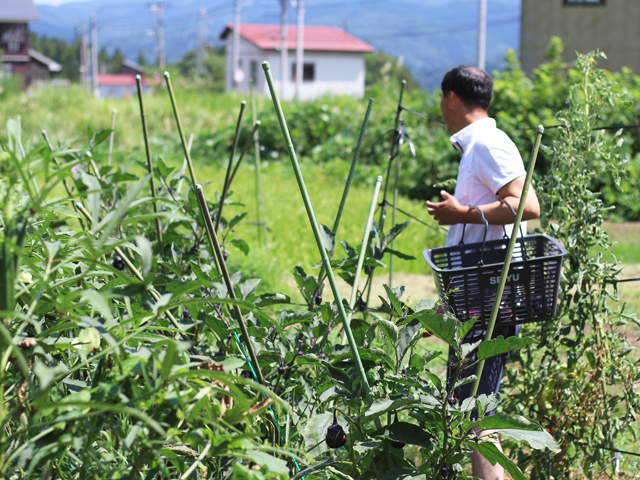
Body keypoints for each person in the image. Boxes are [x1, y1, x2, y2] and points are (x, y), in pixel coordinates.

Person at [426, 66, 540, 480]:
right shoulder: (477, 145)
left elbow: (527, 204)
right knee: (471, 404)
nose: (440, 108)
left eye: (441, 99)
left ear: (452, 98)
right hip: (478, 292)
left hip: (492, 294)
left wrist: (464, 212)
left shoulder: (489, 142)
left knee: (476, 407)